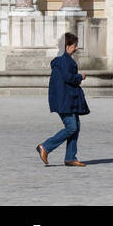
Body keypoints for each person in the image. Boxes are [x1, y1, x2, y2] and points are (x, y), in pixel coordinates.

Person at [37, 32, 89, 167]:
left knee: (75, 128)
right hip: (65, 100)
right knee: (71, 127)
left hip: (68, 99)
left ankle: (70, 157)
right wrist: (80, 77)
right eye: (74, 45)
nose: (76, 48)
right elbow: (68, 78)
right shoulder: (64, 61)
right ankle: (45, 147)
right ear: (67, 46)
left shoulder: (63, 60)